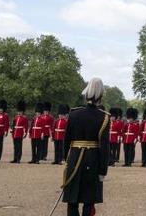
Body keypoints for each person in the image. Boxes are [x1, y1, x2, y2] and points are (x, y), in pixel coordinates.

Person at [62, 77, 110, 216]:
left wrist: (67, 160)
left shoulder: (74, 113)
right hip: (92, 160)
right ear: (100, 95)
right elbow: (104, 148)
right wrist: (103, 171)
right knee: (89, 202)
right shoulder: (104, 117)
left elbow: (67, 140)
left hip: (74, 159)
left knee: (72, 200)